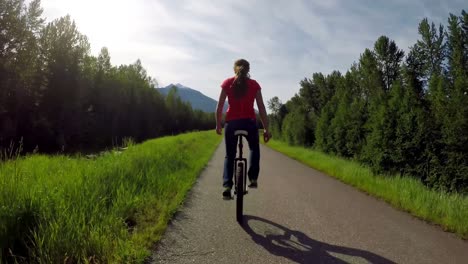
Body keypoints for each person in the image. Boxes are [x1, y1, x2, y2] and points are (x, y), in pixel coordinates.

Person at [216, 59, 272, 199]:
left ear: (235, 69)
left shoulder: (227, 83)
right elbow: (261, 108)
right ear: (248, 70)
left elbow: (219, 107)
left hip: (232, 123)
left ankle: (227, 186)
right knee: (254, 148)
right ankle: (253, 178)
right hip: (249, 123)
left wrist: (218, 124)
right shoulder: (254, 85)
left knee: (230, 155)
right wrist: (266, 129)